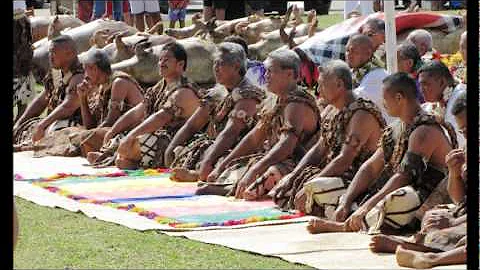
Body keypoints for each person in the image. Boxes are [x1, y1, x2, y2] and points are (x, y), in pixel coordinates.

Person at [305, 73, 457, 235]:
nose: (383, 104)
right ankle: (353, 216)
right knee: (319, 187)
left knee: (397, 200)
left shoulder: (424, 131)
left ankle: (344, 226)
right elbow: (370, 167)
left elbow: (403, 177)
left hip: (428, 199)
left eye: (385, 99)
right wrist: (346, 201)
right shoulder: (395, 129)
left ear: (399, 98)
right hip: (394, 190)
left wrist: (367, 206)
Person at [198, 49, 321, 198]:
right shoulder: (274, 100)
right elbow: (254, 138)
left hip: (296, 166)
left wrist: (255, 169)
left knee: (268, 175)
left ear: (289, 74)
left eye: (270, 71)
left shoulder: (297, 104)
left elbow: (286, 145)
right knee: (233, 165)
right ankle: (226, 185)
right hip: (273, 159)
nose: (265, 76)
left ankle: (230, 189)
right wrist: (224, 165)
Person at [269, 60, 386, 214]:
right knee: (285, 192)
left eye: (322, 84)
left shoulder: (361, 114)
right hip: (337, 176)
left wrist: (311, 185)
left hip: (361, 183)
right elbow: (319, 149)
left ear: (339, 84)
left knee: (311, 195)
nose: (318, 90)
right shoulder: (332, 111)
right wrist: (293, 176)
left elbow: (345, 159)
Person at [369, 92, 467, 269]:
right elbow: (459, 200)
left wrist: (454, 222)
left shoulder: (425, 129)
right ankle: (420, 247)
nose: (466, 136)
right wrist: (454, 173)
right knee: (433, 219)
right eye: (463, 132)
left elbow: (405, 174)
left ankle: (431, 257)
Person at [164, 42, 266, 182]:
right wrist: (171, 149)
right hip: (214, 147)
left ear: (236, 67)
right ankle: (198, 170)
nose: (216, 68)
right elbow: (192, 125)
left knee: (232, 166)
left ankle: (198, 174)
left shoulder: (248, 96)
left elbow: (230, 133)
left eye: (220, 64)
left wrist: (208, 161)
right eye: (215, 63)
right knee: (180, 151)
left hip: (238, 152)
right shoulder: (217, 93)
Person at [95, 42, 202, 169]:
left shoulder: (184, 91)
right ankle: (125, 160)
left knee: (131, 144)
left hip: (177, 142)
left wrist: (131, 137)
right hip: (156, 136)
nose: (161, 63)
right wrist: (113, 131)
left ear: (180, 64)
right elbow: (137, 111)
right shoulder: (159, 87)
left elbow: (159, 118)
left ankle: (123, 159)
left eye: (166, 60)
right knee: (117, 139)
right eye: (160, 59)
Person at [14, 35, 84, 151]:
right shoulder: (56, 73)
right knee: (27, 127)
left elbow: (68, 107)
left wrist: (42, 125)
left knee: (53, 130)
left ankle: (29, 146)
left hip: (75, 124)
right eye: (50, 52)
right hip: (54, 121)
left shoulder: (80, 76)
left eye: (54, 53)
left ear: (69, 54)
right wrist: (19, 123)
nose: (50, 57)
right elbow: (41, 101)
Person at [71, 47, 144, 155]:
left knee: (84, 136)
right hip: (112, 132)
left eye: (85, 70)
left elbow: (111, 121)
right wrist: (83, 98)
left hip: (132, 133)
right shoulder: (102, 87)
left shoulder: (119, 82)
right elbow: (90, 125)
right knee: (73, 132)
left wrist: (89, 133)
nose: (85, 76)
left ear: (94, 68)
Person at [346, 34, 393, 124]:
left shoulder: (377, 75)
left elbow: (352, 99)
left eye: (354, 51)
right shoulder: (355, 72)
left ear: (368, 54)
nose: (348, 55)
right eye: (347, 50)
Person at [418, 60, 466, 148]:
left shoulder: (462, 98)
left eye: (425, 84)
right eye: (420, 85)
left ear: (442, 82)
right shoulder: (430, 106)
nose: (421, 90)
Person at [13, 6, 35, 122]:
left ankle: (17, 127)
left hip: (22, 67)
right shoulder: (24, 22)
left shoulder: (24, 22)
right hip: (21, 67)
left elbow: (28, 43)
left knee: (23, 102)